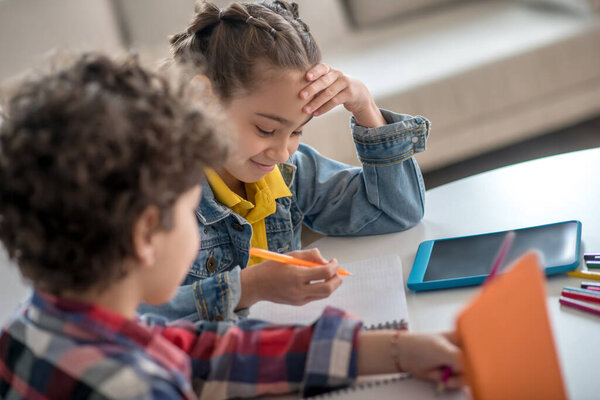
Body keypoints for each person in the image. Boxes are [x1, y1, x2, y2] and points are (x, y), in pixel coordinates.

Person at [0, 53, 462, 399]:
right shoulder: (139, 387)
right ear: (146, 235)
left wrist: (398, 350)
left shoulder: (29, 327)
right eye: (186, 210)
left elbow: (208, 353)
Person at [140, 0, 430, 323]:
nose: (281, 153)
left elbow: (397, 210)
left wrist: (365, 107)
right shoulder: (164, 198)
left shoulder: (289, 172)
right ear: (203, 101)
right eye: (266, 129)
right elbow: (132, 315)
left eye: (297, 132)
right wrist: (249, 287)